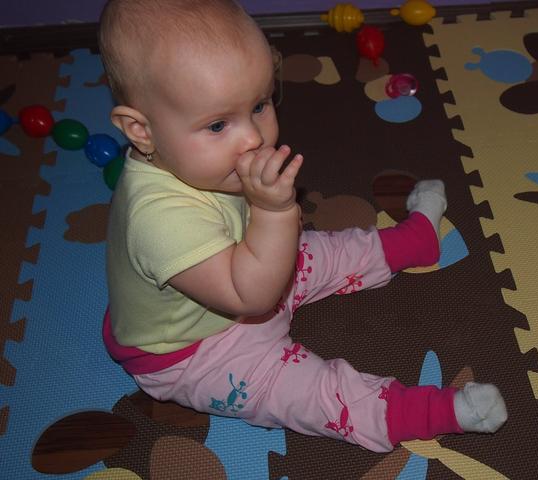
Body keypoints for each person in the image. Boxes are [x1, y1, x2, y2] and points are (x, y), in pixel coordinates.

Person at [99, 0, 507, 453]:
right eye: (217, 125)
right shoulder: (158, 220)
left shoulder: (198, 158)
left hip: (242, 269)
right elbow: (253, 296)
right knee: (304, 391)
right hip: (195, 349)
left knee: (321, 251)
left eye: (260, 104)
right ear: (141, 130)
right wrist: (273, 213)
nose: (253, 138)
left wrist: (267, 220)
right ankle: (422, 412)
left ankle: (415, 241)